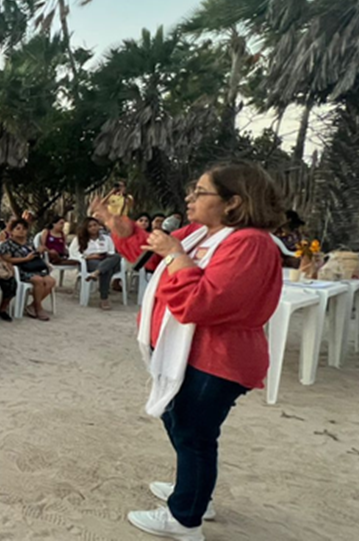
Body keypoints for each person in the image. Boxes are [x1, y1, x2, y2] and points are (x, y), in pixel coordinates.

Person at [91, 161, 284, 540]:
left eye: (200, 192)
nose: (189, 198)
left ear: (233, 202)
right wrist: (113, 221)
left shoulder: (250, 243)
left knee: (194, 433)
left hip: (218, 359)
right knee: (181, 424)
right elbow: (145, 250)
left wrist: (176, 254)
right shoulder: (200, 234)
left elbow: (201, 302)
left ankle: (185, 518)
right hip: (188, 353)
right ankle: (195, 492)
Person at [0, 219, 56, 321]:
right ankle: (38, 308)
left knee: (51, 281)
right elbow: (7, 259)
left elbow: (34, 255)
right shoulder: (7, 244)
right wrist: (25, 259)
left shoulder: (29, 242)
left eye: (24, 229)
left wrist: (39, 253)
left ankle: (33, 305)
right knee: (38, 280)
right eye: (18, 228)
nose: (21, 231)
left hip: (34, 268)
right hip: (19, 269)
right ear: (12, 231)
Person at [69, 217, 123, 311]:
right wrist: (89, 257)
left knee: (117, 257)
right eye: (90, 226)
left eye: (95, 225)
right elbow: (73, 253)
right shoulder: (79, 239)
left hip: (106, 259)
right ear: (86, 228)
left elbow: (111, 252)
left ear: (99, 226)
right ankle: (104, 299)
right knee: (107, 270)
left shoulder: (106, 239)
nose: (93, 228)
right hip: (90, 262)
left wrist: (104, 255)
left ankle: (97, 273)